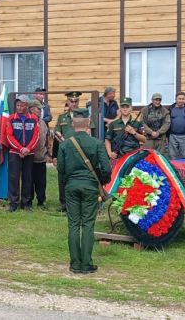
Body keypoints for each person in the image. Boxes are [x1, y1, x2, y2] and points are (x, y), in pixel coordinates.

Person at [57, 108, 111, 274]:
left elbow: (61, 168)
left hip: (72, 186)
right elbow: (107, 169)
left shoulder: (65, 144)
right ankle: (86, 264)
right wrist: (100, 182)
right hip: (90, 186)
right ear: (88, 123)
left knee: (73, 224)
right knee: (88, 224)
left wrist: (69, 182)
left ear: (73, 124)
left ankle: (75, 264)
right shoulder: (96, 143)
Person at [5, 95, 40, 212]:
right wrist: (20, 149)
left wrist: (28, 149)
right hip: (15, 152)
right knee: (14, 178)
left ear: (27, 106)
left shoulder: (34, 119)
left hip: (29, 154)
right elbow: (9, 136)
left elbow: (36, 136)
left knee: (27, 178)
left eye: (22, 105)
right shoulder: (10, 119)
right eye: (18, 105)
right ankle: (13, 203)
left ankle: (26, 203)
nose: (19, 108)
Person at [28, 100, 53, 208]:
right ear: (32, 109)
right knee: (29, 181)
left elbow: (48, 139)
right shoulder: (28, 121)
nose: (40, 111)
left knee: (41, 182)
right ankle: (28, 201)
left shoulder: (42, 122)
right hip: (29, 158)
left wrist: (48, 153)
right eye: (38, 109)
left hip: (41, 158)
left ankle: (41, 201)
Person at [167, 92, 185, 159]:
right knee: (172, 155)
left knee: (184, 155)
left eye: (183, 99)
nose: (181, 100)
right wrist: (166, 136)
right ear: (176, 99)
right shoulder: (170, 109)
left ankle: (184, 169)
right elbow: (166, 123)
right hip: (172, 136)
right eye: (179, 99)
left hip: (184, 136)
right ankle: (173, 169)